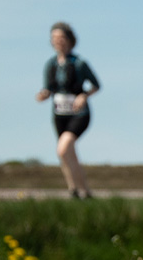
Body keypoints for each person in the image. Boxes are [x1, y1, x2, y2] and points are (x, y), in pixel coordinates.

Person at [35, 22, 100, 199]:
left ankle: (79, 190)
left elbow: (96, 85)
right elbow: (48, 88)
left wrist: (84, 95)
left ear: (70, 40)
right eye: (54, 38)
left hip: (79, 114)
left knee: (63, 149)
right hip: (59, 114)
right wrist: (43, 95)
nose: (58, 41)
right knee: (67, 154)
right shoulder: (51, 64)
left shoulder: (79, 63)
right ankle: (78, 191)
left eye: (61, 37)